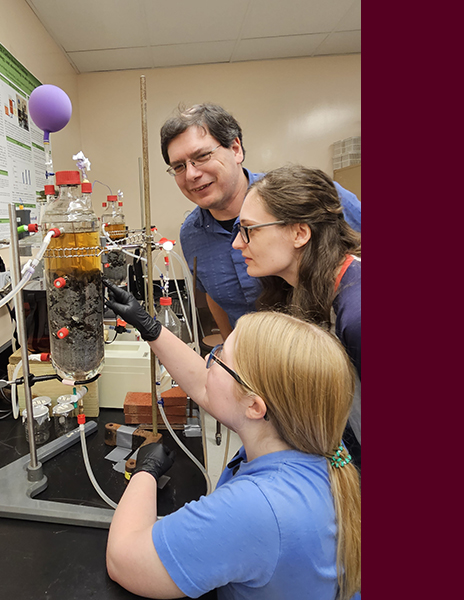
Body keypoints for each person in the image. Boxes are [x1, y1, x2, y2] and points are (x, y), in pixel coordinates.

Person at [104, 281, 362, 600]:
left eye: (220, 356)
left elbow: (124, 559)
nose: (208, 361)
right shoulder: (310, 447)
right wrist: (151, 328)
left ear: (254, 406)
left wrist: (144, 471)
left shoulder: (258, 510)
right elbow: (207, 386)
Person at [161, 103, 362, 340]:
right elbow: (213, 297)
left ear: (236, 149)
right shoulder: (191, 234)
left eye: (202, 156)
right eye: (179, 166)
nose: (192, 174)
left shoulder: (303, 198)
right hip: (256, 364)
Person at [236, 164, 362, 463]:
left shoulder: (357, 311)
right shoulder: (310, 292)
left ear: (300, 233)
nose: (238, 243)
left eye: (248, 230)